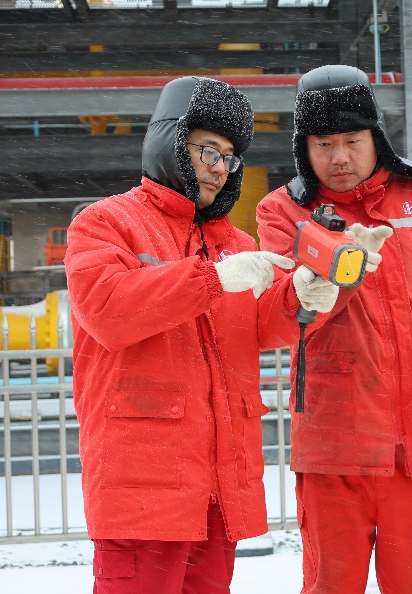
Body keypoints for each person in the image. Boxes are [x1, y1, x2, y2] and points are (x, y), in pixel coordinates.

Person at [64, 76, 339, 594]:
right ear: (169, 142)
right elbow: (107, 311)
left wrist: (301, 299)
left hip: (220, 486)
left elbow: (257, 327)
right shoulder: (106, 223)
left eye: (230, 156)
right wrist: (209, 279)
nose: (219, 166)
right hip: (143, 488)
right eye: (207, 149)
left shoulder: (235, 242)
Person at [256, 64, 412, 594]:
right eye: (324, 143)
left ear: (377, 138)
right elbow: (282, 318)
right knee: (332, 584)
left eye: (352, 139)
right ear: (305, 147)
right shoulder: (284, 210)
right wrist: (325, 277)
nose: (340, 157)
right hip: (335, 445)